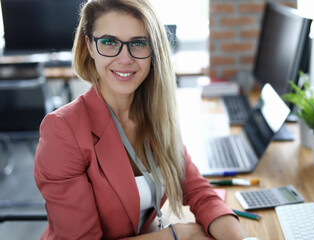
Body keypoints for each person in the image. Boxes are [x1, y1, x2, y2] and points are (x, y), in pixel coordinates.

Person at [34, 0, 253, 239]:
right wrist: (176, 235)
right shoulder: (62, 131)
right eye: (109, 42)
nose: (125, 58)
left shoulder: (155, 114)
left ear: (153, 51)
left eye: (138, 44)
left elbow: (200, 192)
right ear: (89, 46)